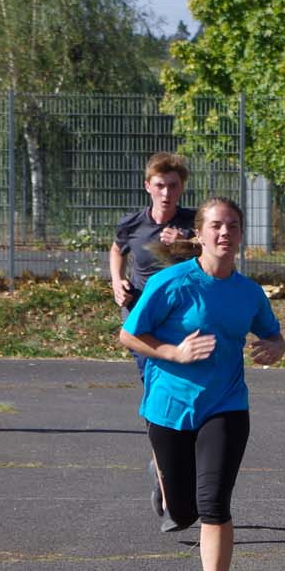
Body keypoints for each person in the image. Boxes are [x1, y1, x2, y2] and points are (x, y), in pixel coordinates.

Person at [119, 196, 285, 571]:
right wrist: (174, 352)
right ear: (200, 233)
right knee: (183, 511)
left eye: (232, 226)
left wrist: (274, 347)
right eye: (216, 225)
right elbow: (129, 334)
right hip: (169, 407)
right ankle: (162, 477)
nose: (224, 233)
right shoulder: (171, 283)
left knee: (214, 504)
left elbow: (274, 335)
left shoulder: (248, 293)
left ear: (241, 234)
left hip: (226, 405)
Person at [110, 153, 198, 527]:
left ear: (181, 188)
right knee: (158, 398)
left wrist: (185, 243)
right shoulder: (132, 224)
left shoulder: (194, 223)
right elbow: (117, 249)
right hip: (143, 325)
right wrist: (117, 281)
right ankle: (167, 481)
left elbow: (214, 254)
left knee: (186, 399)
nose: (166, 193)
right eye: (159, 185)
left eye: (173, 186)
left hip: (182, 325)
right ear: (148, 186)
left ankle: (165, 465)